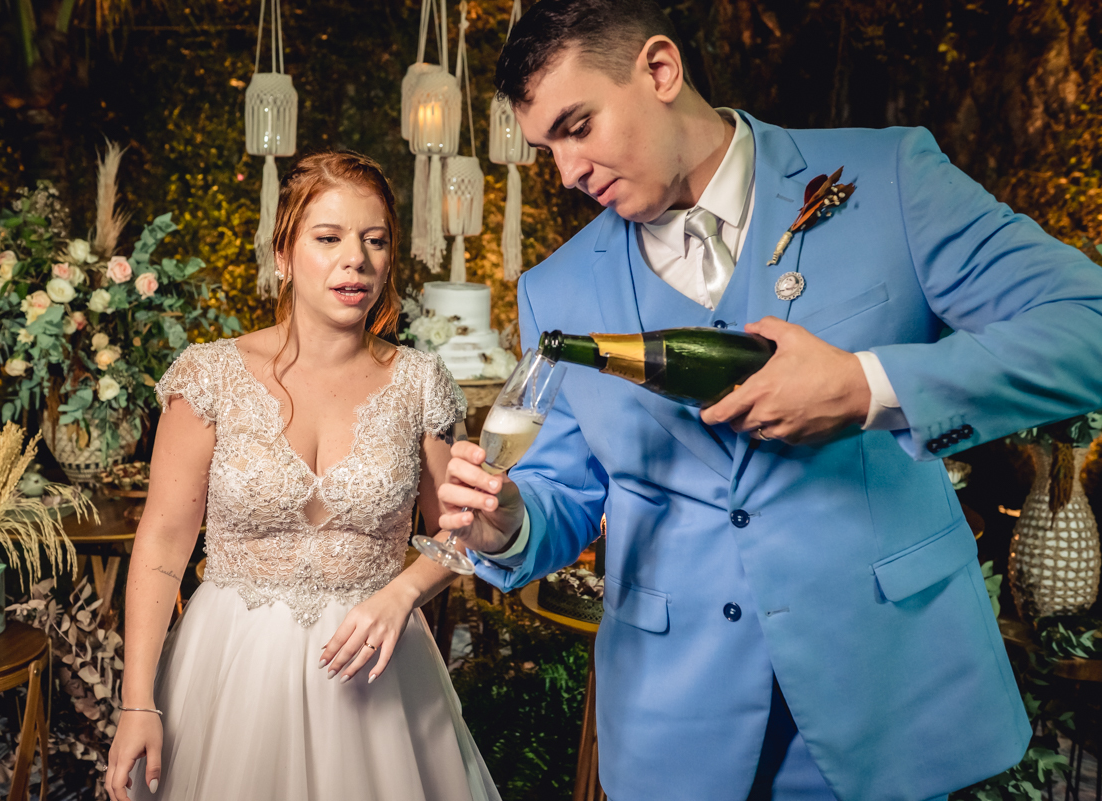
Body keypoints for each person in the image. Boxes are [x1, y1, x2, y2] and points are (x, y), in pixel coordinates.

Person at [436, 1, 1102, 799]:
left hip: (895, 705)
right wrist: (509, 522)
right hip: (678, 733)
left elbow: (1087, 323)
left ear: (660, 70)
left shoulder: (890, 177)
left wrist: (868, 387)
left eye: (578, 127)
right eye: (549, 148)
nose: (568, 171)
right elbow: (563, 493)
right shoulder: (555, 289)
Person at [105, 151, 501, 801]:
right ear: (283, 255)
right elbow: (162, 545)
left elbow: (461, 531)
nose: (357, 260)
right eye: (329, 238)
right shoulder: (209, 377)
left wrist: (402, 593)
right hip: (231, 669)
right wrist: (137, 702)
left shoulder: (420, 382)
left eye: (375, 240)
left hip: (378, 673)